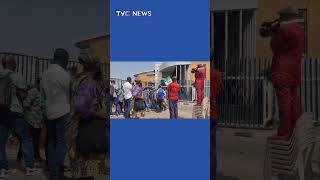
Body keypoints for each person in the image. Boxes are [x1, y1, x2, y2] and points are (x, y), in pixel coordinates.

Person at [67, 52, 108, 180]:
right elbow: (80, 106)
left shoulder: (76, 80)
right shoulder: (89, 83)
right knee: (86, 165)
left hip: (74, 127)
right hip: (84, 128)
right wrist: (98, 113)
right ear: (94, 67)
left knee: (78, 164)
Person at [268, 6, 305, 140]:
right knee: (294, 101)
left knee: (284, 102)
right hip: (295, 69)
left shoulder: (283, 29)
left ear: (283, 16)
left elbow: (274, 46)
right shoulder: (300, 31)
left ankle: (284, 132)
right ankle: (295, 132)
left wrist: (273, 33)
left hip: (282, 69)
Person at [0, 56, 41, 177]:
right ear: (13, 64)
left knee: (1, 141)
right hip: (15, 112)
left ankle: (3, 169)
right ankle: (29, 167)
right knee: (26, 139)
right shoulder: (16, 76)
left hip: (2, 112)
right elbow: (23, 96)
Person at [42, 49, 71, 180]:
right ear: (64, 59)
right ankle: (58, 174)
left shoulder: (45, 73)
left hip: (49, 111)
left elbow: (43, 93)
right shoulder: (64, 74)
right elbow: (69, 93)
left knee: (51, 142)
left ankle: (54, 173)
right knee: (61, 143)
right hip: (63, 111)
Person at [17, 81, 45, 165]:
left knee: (30, 139)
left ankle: (23, 156)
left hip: (38, 120)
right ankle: (32, 157)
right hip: (32, 120)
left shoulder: (41, 92)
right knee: (30, 139)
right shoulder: (34, 91)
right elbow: (26, 104)